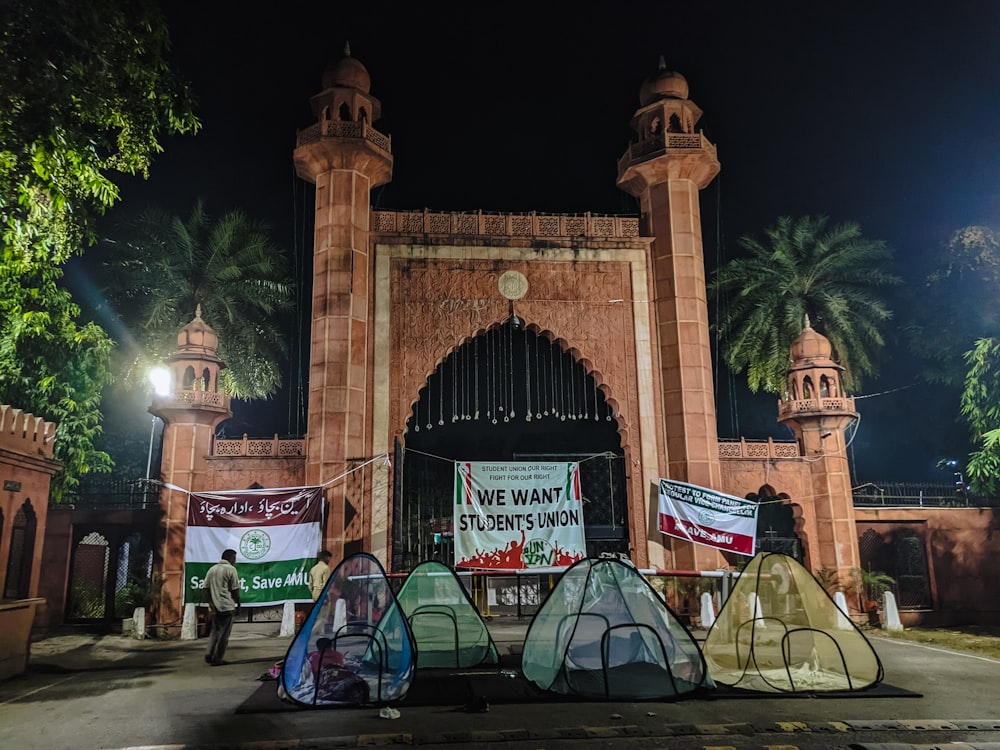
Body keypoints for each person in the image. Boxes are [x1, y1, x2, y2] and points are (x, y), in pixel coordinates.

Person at [204, 549, 241, 666]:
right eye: (234, 558)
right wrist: (238, 604)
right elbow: (235, 589)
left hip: (216, 606)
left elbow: (205, 588)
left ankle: (209, 652)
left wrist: (211, 604)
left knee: (215, 632)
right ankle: (218, 658)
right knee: (224, 635)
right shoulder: (231, 569)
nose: (235, 560)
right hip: (227, 606)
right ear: (230, 558)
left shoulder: (212, 569)